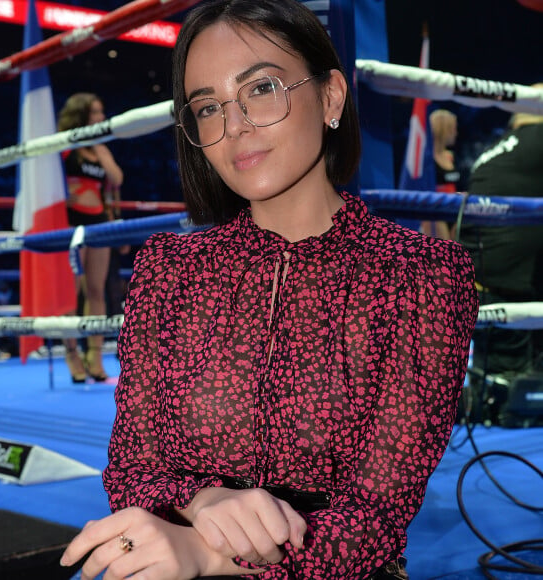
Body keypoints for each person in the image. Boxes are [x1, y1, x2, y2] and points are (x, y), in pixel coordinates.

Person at [59, 1, 478, 578]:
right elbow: (134, 465)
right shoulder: (168, 269)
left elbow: (377, 519)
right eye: (208, 107)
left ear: (331, 96)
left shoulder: (423, 276)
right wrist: (205, 503)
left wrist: (207, 554)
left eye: (260, 89)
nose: (234, 127)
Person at [459, 98, 543, 393]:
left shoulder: (496, 149)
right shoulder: (537, 138)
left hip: (480, 281)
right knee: (510, 391)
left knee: (495, 386)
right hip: (509, 287)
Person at [57, 93, 124, 382]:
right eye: (95, 112)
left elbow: (117, 179)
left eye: (101, 111)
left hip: (97, 221)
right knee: (70, 292)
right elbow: (50, 181)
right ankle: (71, 354)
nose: (100, 117)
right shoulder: (65, 144)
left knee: (96, 289)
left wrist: (99, 146)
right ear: (81, 115)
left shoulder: (99, 148)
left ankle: (94, 355)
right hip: (70, 222)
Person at [420, 109, 461, 240]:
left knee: (455, 253)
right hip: (436, 211)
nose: (456, 133)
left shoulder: (450, 156)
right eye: (453, 129)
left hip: (454, 209)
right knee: (442, 254)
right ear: (444, 130)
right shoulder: (426, 159)